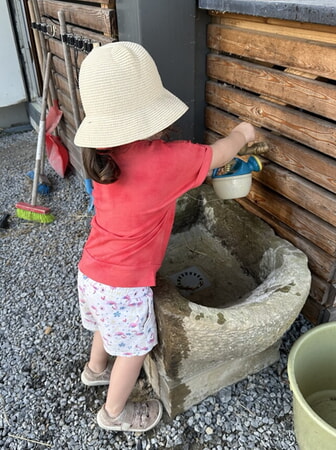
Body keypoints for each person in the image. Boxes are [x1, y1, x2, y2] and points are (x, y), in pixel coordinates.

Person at [74, 41, 256, 433]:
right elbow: (218, 155)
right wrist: (243, 133)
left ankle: (94, 370)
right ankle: (114, 413)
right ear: (151, 111)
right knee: (136, 348)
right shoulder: (167, 160)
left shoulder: (102, 155)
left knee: (108, 329)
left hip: (91, 273)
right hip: (124, 286)